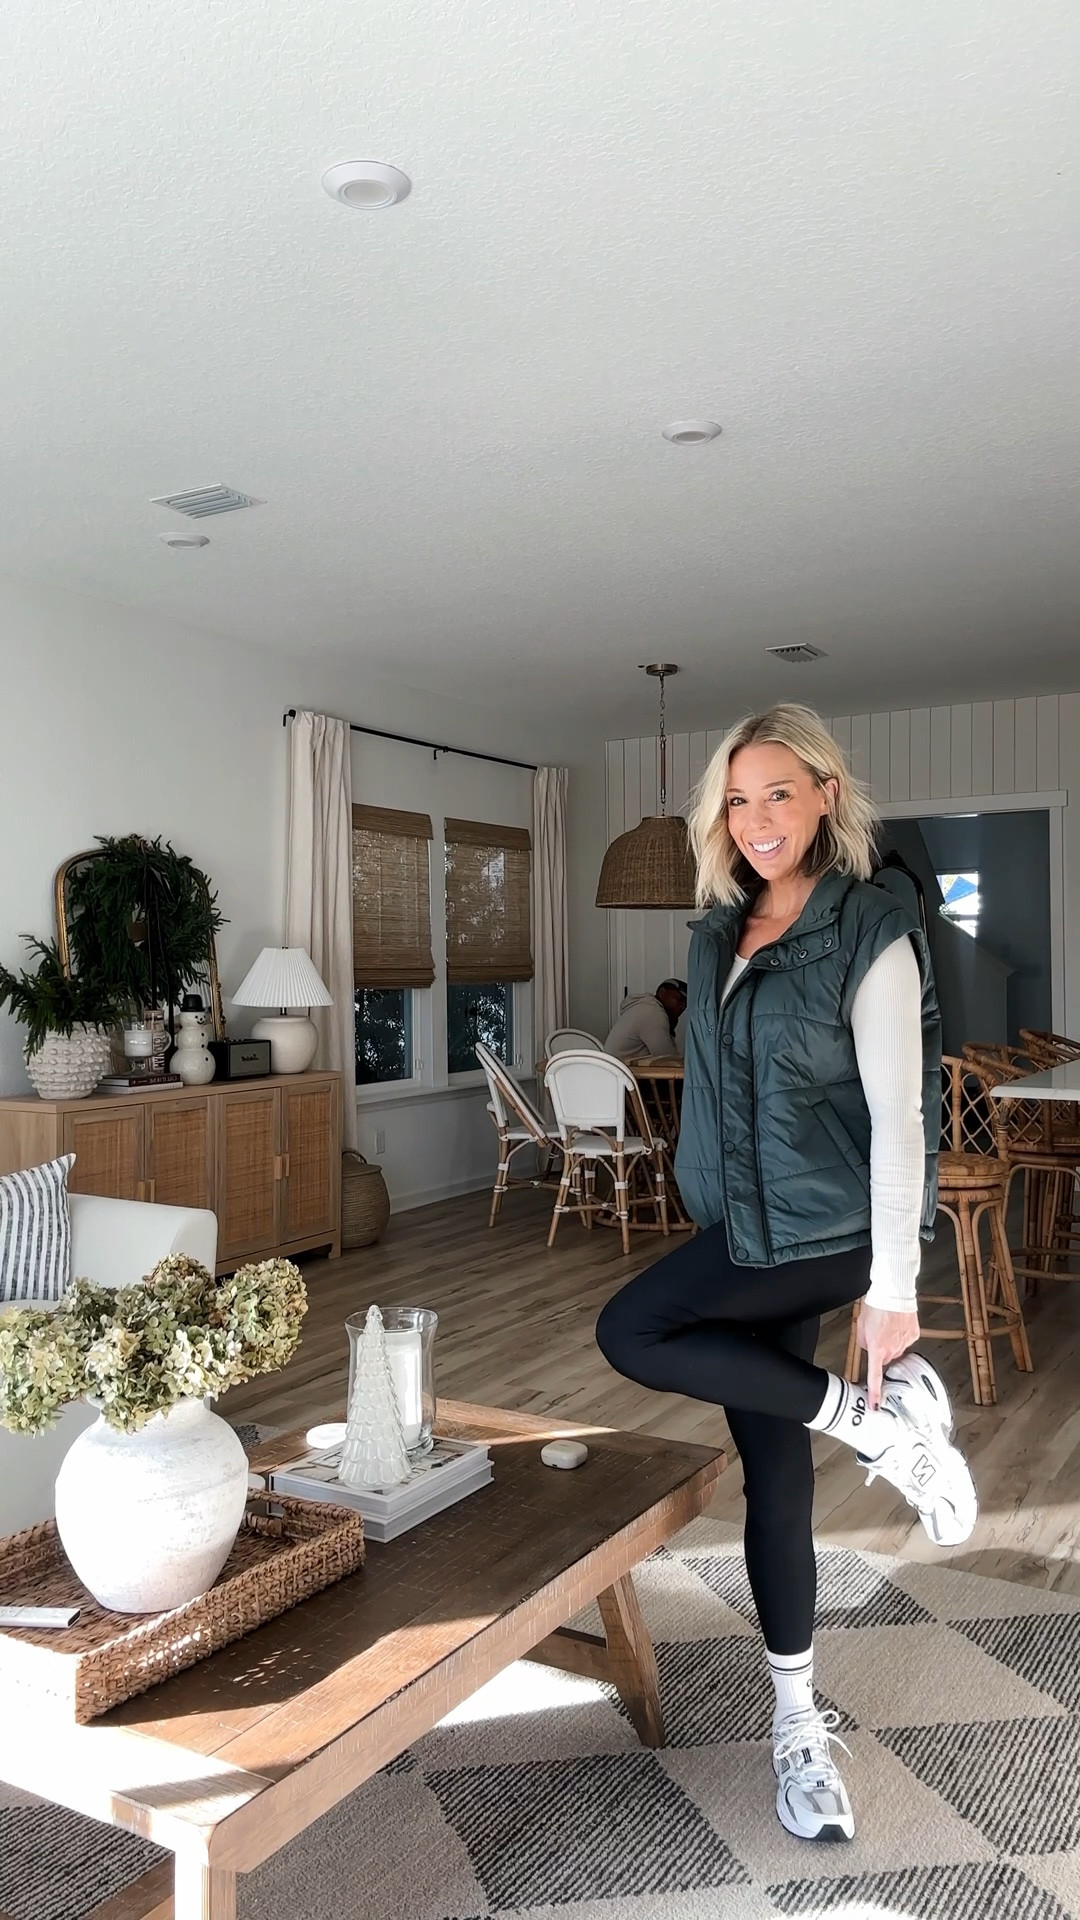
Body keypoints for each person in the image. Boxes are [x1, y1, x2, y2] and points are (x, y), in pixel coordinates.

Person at [595, 703, 976, 1846]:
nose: (757, 819)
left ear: (824, 797)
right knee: (774, 1473)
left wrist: (894, 1290)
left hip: (830, 1233)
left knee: (633, 1329)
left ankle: (870, 1425)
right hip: (746, 1230)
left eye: (779, 793)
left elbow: (903, 1118)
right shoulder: (717, 933)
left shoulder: (872, 925)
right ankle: (798, 1722)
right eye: (737, 798)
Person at [604, 979, 687, 1058]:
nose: (682, 1006)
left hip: (612, 1065)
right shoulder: (652, 1012)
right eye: (680, 999)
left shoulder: (644, 1006)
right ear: (662, 992)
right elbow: (668, 1058)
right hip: (620, 1067)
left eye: (685, 1003)